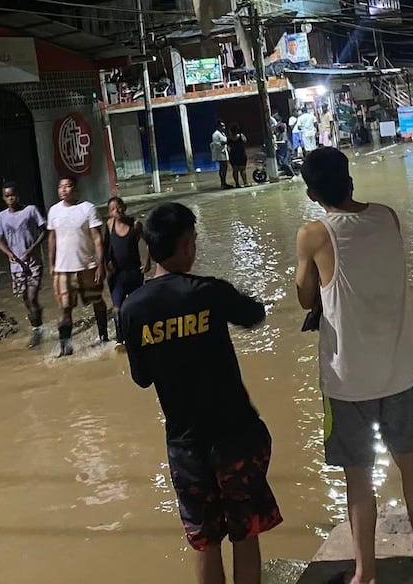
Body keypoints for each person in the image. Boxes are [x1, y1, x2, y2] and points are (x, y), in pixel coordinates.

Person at [294, 147, 413, 583]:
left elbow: (306, 297)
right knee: (411, 462)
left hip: (347, 380)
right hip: (399, 369)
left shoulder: (314, 234)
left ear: (310, 192)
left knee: (358, 478)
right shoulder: (388, 217)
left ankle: (365, 573)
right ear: (350, 180)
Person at [122, 202, 282, 584]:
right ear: (186, 246)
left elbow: (142, 378)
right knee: (245, 531)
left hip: (185, 443)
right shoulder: (208, 292)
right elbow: (254, 314)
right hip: (236, 434)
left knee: (205, 539)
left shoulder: (132, 308)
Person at [47, 175, 109, 356]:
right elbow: (52, 239)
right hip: (63, 270)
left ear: (75, 189)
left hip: (87, 266)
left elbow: (97, 238)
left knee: (98, 301)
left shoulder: (87, 208)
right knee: (65, 308)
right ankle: (66, 347)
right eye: (61, 187)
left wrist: (100, 264)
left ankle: (103, 336)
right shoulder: (53, 211)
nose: (63, 190)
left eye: (67, 186)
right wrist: (51, 264)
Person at [0, 183, 48, 348]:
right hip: (16, 266)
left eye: (13, 195)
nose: (11, 198)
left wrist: (33, 248)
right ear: (4, 198)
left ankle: (37, 331)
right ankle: (37, 324)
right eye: (7, 196)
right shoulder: (1, 217)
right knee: (26, 299)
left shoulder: (30, 210)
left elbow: (44, 230)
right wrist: (9, 254)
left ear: (18, 195)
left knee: (32, 296)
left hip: (34, 263)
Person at [104, 196, 150, 344]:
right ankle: (120, 341)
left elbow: (149, 241)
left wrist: (148, 260)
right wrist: (105, 264)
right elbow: (105, 248)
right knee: (117, 308)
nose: (116, 211)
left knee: (137, 306)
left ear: (124, 207)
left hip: (134, 273)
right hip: (116, 275)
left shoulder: (135, 225)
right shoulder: (109, 225)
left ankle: (141, 336)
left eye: (118, 207)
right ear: (109, 213)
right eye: (112, 209)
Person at [210, 121, 232, 189]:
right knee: (223, 167)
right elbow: (217, 144)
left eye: (224, 126)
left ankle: (224, 182)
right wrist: (225, 142)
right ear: (218, 127)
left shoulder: (222, 133)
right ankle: (223, 183)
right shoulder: (215, 134)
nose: (224, 127)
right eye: (222, 126)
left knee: (224, 167)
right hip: (219, 153)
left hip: (223, 152)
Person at [228, 122, 250, 187]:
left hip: (233, 155)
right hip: (241, 154)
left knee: (235, 170)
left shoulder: (229, 138)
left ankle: (237, 184)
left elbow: (228, 147)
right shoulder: (241, 136)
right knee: (243, 169)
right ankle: (245, 183)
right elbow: (245, 141)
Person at [272, 113, 293, 177]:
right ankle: (288, 174)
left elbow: (284, 141)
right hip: (283, 150)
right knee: (281, 162)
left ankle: (293, 174)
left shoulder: (283, 134)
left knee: (286, 162)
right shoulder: (279, 134)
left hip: (287, 149)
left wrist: (275, 142)